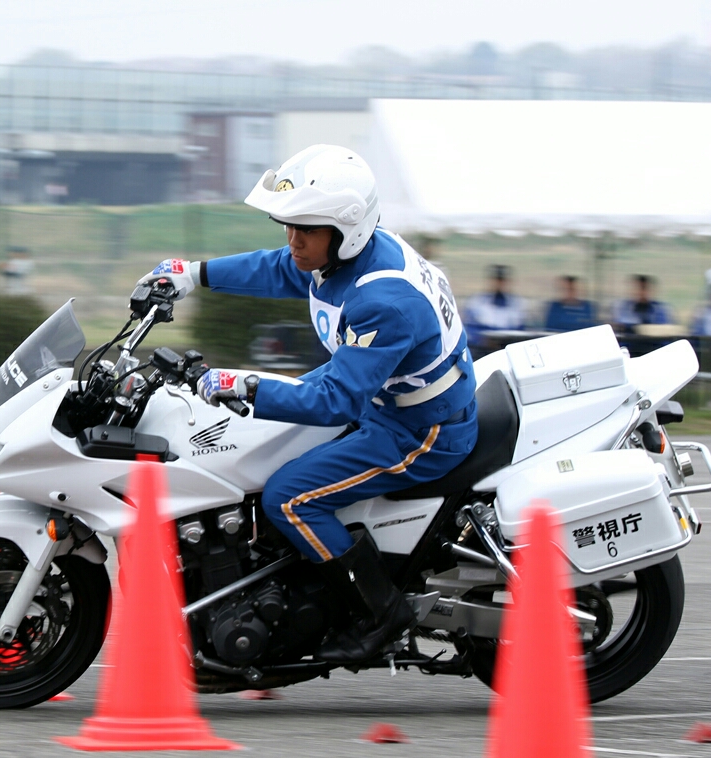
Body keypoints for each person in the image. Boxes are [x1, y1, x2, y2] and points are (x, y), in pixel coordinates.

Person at [134, 144, 477, 665]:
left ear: (345, 229)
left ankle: (380, 613)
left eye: (304, 230)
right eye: (288, 227)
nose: (292, 241)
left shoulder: (383, 300)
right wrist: (192, 273)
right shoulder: (342, 257)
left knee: (289, 497)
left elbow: (337, 400)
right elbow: (276, 269)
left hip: (421, 428)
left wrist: (245, 386)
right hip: (384, 398)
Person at [463, 264, 527, 353]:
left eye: (502, 280)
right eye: (496, 280)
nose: (499, 284)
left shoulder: (516, 304)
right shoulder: (477, 302)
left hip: (508, 350)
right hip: (482, 350)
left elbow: (520, 330)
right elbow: (470, 329)